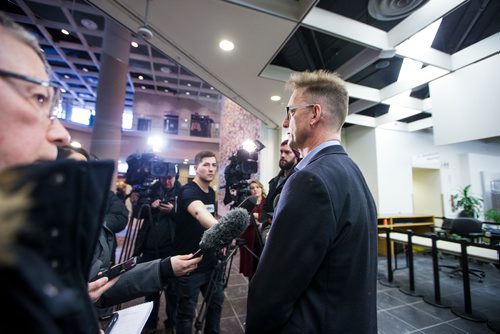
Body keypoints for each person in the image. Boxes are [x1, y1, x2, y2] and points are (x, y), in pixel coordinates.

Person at [246, 70, 378, 333]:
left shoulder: (310, 181)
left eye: (291, 111)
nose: (286, 122)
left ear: (315, 113)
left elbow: (273, 291)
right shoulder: (353, 172)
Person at [174, 150, 224, 334]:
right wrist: (223, 231)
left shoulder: (210, 192)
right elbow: (200, 213)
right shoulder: (188, 191)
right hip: (190, 264)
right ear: (196, 168)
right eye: (206, 165)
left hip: (211, 263)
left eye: (214, 165)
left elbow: (209, 216)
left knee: (215, 307)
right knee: (187, 315)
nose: (211, 169)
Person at [135, 171, 181, 333]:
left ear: (175, 177)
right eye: (163, 178)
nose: (167, 181)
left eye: (170, 178)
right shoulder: (150, 190)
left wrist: (173, 211)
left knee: (173, 291)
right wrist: (149, 206)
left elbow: (187, 219)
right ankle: (150, 323)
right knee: (150, 290)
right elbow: (136, 213)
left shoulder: (182, 193)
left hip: (172, 248)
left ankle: (172, 322)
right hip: (149, 248)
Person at [261, 140, 300, 241]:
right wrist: (265, 224)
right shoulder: (275, 181)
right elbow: (267, 206)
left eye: (287, 152)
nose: (282, 155)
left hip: (288, 234)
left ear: (296, 155)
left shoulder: (300, 179)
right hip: (269, 230)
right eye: (281, 152)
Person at [238, 179, 266, 279]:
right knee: (251, 265)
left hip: (262, 237)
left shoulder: (267, 202)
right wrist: (254, 218)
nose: (255, 190)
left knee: (262, 262)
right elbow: (242, 217)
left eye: (257, 187)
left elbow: (269, 216)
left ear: (261, 188)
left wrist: (257, 215)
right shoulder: (248, 202)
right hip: (249, 236)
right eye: (252, 188)